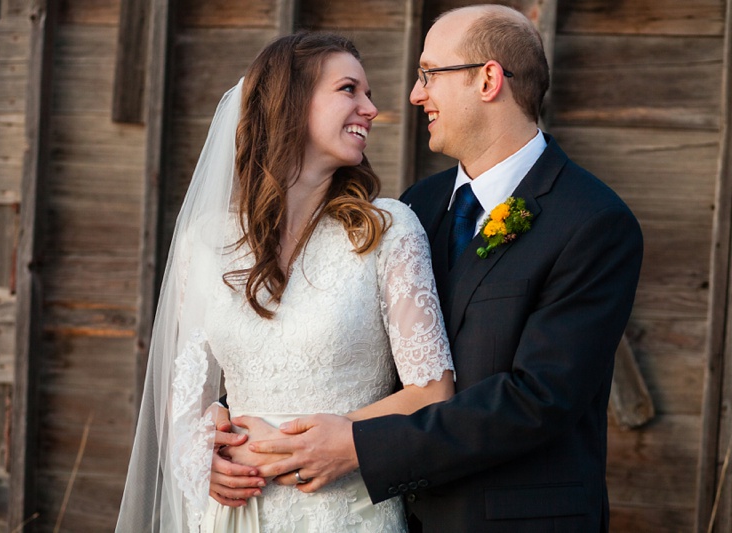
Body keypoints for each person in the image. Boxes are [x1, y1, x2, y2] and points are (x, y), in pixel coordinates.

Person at [216, 5, 644, 533]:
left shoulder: (592, 221)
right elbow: (329, 342)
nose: (415, 95)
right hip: (394, 517)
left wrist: (357, 446)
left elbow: (539, 399)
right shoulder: (417, 207)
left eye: (428, 74)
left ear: (487, 80)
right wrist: (230, 431)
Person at [115, 31, 455, 533]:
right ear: (291, 103)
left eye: (368, 94)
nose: (371, 109)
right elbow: (182, 400)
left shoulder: (387, 229)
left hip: (345, 513)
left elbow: (432, 393)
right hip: (237, 516)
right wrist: (205, 453)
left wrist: (336, 438)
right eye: (349, 90)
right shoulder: (207, 241)